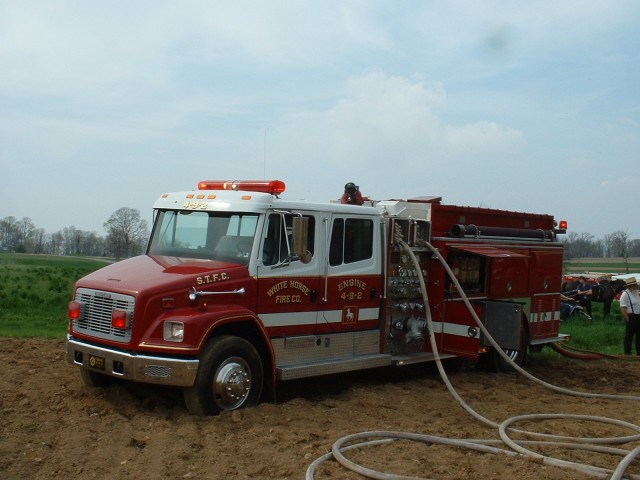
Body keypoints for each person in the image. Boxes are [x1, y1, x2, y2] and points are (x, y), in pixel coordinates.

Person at [620, 277, 640, 355]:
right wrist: (628, 319)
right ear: (630, 285)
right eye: (634, 284)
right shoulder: (625, 294)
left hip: (638, 316)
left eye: (635, 284)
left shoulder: (636, 293)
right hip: (631, 316)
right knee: (629, 336)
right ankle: (628, 353)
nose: (635, 285)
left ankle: (639, 353)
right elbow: (623, 308)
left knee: (639, 336)